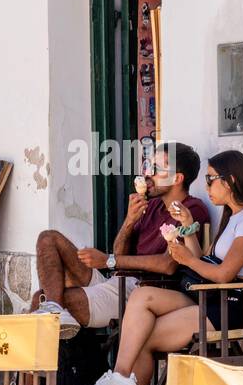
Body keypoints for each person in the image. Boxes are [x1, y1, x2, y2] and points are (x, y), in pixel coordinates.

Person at [77, 149, 243, 385]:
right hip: (209, 297)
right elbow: (203, 259)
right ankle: (119, 383)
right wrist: (187, 229)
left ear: (230, 180)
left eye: (210, 180)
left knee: (142, 339)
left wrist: (185, 259)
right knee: (143, 296)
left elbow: (223, 275)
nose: (206, 187)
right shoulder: (232, 217)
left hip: (230, 306)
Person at [32, 143, 210, 339]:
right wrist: (129, 221)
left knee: (49, 300)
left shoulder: (190, 210)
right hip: (117, 281)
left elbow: (168, 264)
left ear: (177, 178)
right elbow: (119, 253)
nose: (148, 174)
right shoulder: (151, 206)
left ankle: (45, 357)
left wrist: (108, 261)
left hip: (143, 291)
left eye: (156, 169)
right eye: (147, 167)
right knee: (48, 240)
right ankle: (54, 311)